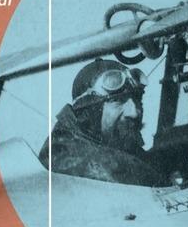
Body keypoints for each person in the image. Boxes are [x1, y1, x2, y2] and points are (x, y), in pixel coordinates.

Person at [39, 58, 164, 186]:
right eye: (117, 101)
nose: (134, 112)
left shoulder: (114, 145)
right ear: (90, 111)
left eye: (138, 100)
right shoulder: (64, 156)